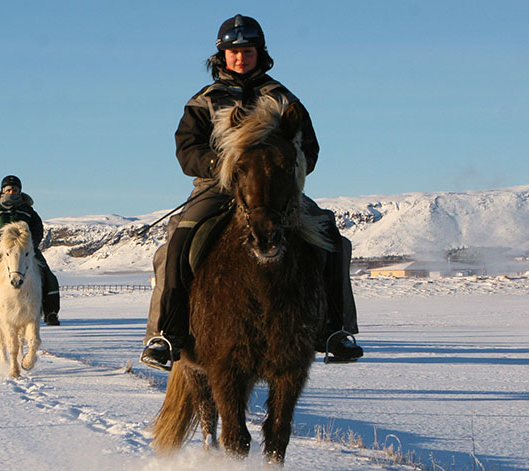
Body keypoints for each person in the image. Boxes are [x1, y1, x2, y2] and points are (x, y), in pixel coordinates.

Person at [139, 14, 363, 371]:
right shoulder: (204, 101)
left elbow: (309, 146)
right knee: (177, 243)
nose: (241, 57)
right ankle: (166, 333)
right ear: (222, 56)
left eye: (248, 50)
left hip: (276, 189)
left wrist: (289, 171)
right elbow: (187, 149)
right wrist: (220, 166)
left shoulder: (283, 98)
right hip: (218, 186)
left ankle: (335, 330)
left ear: (260, 53)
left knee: (331, 237)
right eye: (233, 51)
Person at [0, 175, 61, 325]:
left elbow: (37, 230)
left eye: (15, 190)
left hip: (26, 251)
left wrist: (29, 244)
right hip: (3, 251)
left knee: (48, 275)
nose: (11, 192)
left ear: (20, 192)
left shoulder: (28, 211)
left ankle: (50, 312)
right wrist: (3, 243)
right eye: (8, 189)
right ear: (2, 191)